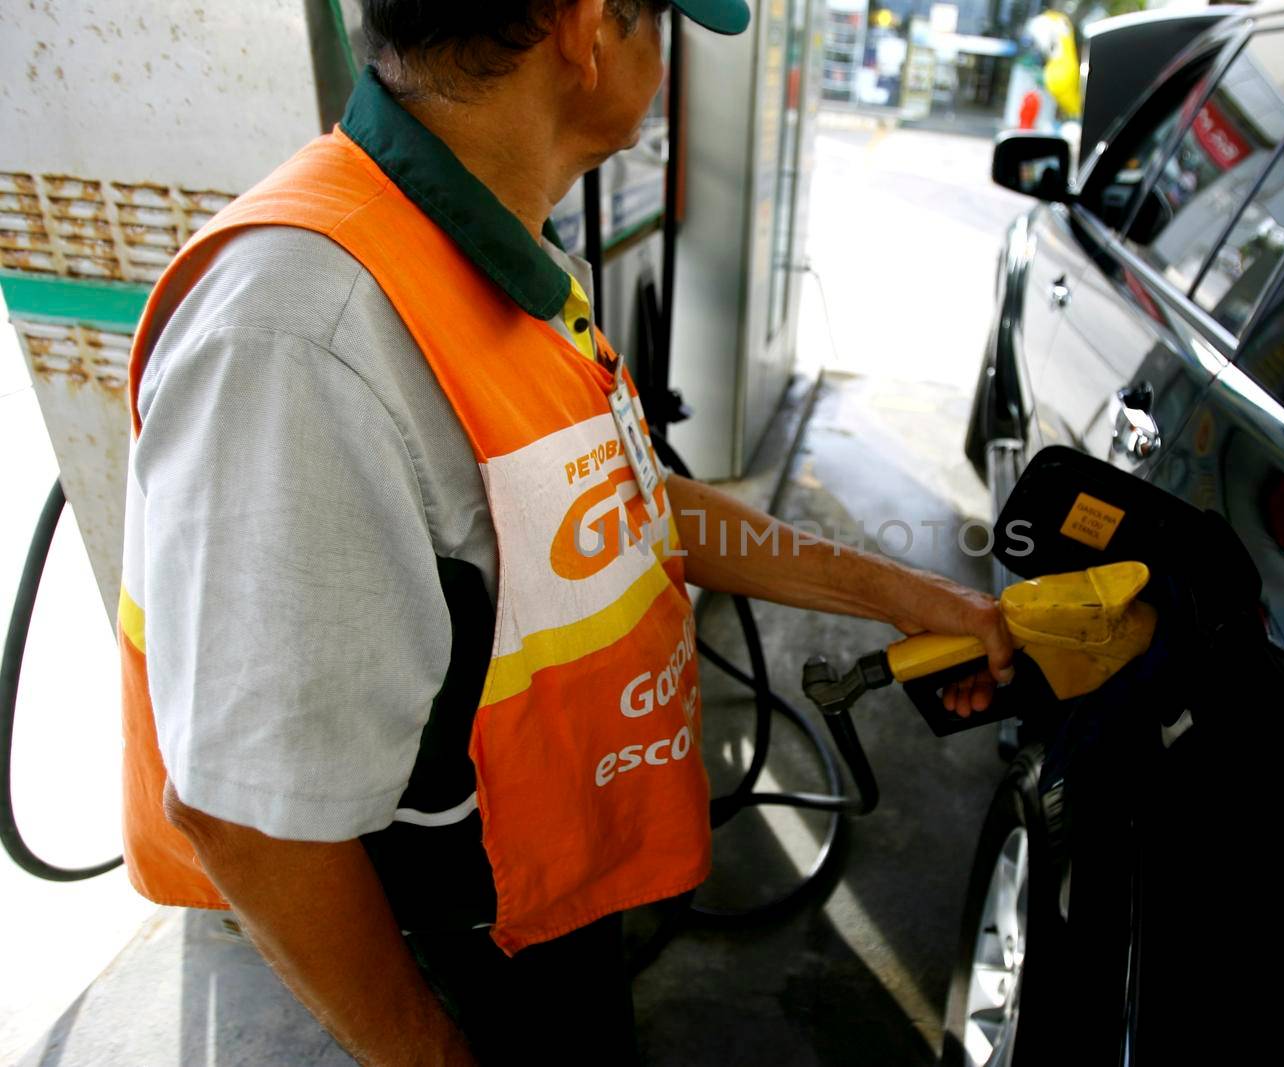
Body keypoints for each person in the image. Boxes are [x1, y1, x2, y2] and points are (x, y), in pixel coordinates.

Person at [115, 0, 1014, 1062]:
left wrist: (911, 597)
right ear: (586, 29)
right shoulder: (300, 336)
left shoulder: (474, 245)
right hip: (442, 960)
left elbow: (611, 507)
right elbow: (250, 813)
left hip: (542, 899)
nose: (669, 60)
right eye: (663, 24)